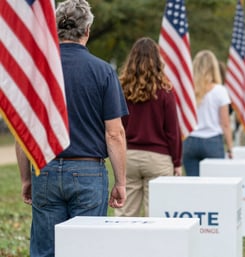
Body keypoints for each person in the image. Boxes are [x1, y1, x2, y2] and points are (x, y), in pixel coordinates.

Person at [15, 0, 128, 256]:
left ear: (55, 28)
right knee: (87, 250)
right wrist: (121, 181)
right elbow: (114, 133)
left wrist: (25, 178)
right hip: (89, 171)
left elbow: (23, 130)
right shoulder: (103, 72)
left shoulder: (38, 72)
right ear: (87, 30)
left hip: (46, 169)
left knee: (45, 250)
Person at [115, 37, 182, 217]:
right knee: (159, 215)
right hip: (159, 159)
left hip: (128, 156)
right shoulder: (166, 91)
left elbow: (116, 125)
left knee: (125, 215)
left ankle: (121, 246)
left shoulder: (121, 89)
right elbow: (173, 132)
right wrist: (177, 162)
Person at [183, 50, 233, 176]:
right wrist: (230, 147)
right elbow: (225, 123)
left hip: (190, 140)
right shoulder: (220, 91)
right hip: (213, 141)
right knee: (214, 186)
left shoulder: (188, 90)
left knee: (192, 184)